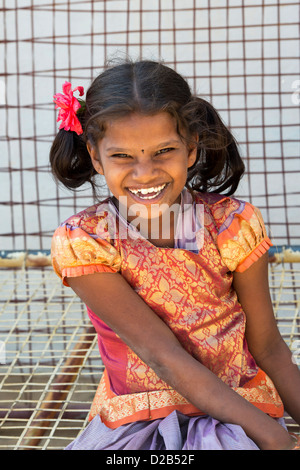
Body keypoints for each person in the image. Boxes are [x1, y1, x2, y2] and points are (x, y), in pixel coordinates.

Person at [50, 60, 300, 450]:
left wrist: (269, 434)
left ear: (191, 149)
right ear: (96, 159)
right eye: (122, 157)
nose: (145, 173)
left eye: (164, 151)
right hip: (143, 422)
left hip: (240, 411)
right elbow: (161, 354)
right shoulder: (87, 240)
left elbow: (268, 347)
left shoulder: (232, 224)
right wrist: (275, 440)